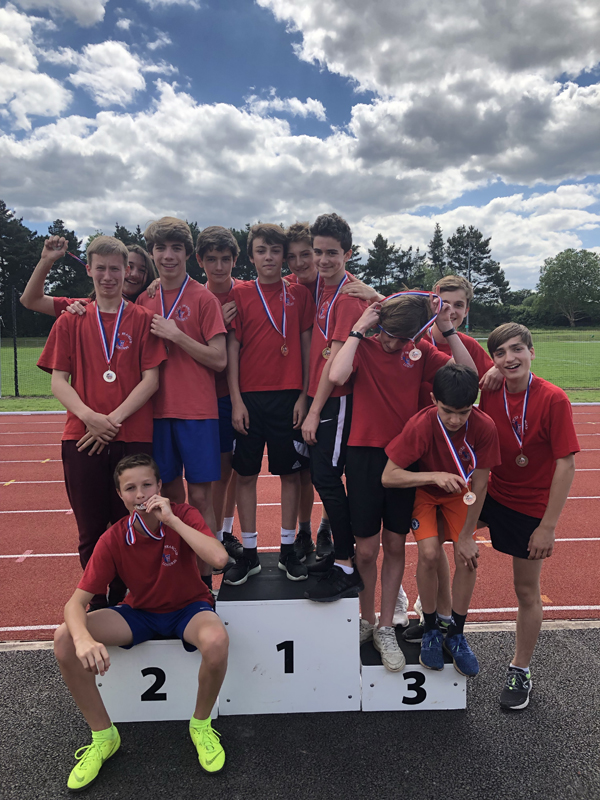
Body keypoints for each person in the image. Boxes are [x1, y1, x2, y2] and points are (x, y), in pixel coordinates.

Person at [53, 453, 230, 789]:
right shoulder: (114, 537)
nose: (140, 494)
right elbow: (75, 604)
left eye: (147, 485)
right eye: (130, 488)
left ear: (160, 486)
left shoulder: (184, 515)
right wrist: (83, 639)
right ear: (120, 495)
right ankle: (104, 736)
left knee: (216, 640)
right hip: (141, 613)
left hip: (189, 609)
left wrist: (172, 521)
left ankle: (201, 726)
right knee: (64, 639)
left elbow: (219, 558)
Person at [323, 293, 477, 671]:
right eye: (387, 334)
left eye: (401, 337)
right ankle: (366, 619)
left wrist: (446, 328)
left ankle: (386, 626)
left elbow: (467, 374)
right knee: (365, 550)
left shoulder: (419, 352)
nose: (392, 344)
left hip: (405, 458)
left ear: (414, 335)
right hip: (363, 456)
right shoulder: (365, 346)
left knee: (394, 545)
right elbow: (336, 376)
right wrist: (359, 329)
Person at [36, 235, 166, 609]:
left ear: (127, 271)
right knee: (90, 528)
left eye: (115, 269)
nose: (108, 276)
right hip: (81, 436)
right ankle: (95, 599)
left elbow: (151, 380)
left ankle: (125, 595)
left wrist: (112, 420)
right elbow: (58, 381)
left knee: (132, 522)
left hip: (132, 435)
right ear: (89, 270)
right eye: (101, 268)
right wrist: (90, 418)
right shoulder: (71, 319)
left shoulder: (143, 320)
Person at [478, 323, 579, 709]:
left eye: (517, 349)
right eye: (500, 353)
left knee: (525, 589)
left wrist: (547, 527)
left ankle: (520, 669)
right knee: (436, 534)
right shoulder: (490, 389)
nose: (510, 358)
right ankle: (430, 614)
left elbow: (566, 464)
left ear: (532, 352)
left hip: (530, 506)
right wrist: (491, 370)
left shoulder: (553, 399)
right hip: (493, 491)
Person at [382, 363, 500, 676]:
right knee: (430, 554)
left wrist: (467, 536)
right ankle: (431, 628)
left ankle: (456, 633)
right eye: (448, 411)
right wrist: (433, 475)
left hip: (462, 494)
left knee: (468, 558)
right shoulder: (421, 424)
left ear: (473, 405)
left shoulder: (484, 426)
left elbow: (481, 483)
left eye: (464, 412)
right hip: (426, 492)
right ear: (434, 399)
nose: (456, 420)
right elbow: (389, 475)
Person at [407, 273, 502, 639]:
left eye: (459, 305)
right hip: (415, 451)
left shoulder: (465, 344)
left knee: (443, 544)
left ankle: (438, 617)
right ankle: (432, 613)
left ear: (467, 308)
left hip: (454, 462)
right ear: (431, 302)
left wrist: (496, 369)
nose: (451, 310)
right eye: (443, 303)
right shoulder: (414, 340)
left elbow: (480, 375)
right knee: (427, 548)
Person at [226, 223, 313, 585]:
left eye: (275, 251)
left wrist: (304, 396)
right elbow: (233, 349)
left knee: (290, 476)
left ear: (283, 256)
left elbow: (306, 346)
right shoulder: (240, 293)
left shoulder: (299, 294)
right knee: (245, 476)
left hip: (289, 397)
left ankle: (288, 549)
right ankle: (249, 553)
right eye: (261, 251)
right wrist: (235, 400)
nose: (269, 257)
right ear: (251, 256)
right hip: (249, 399)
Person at [137, 217, 227, 551]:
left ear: (188, 253)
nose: (168, 255)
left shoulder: (204, 298)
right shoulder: (144, 299)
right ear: (152, 253)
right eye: (161, 248)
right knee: (170, 497)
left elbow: (219, 359)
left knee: (201, 498)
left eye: (176, 248)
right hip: (157, 413)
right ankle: (178, 567)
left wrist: (177, 335)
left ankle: (207, 571)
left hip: (198, 413)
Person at [195, 225, 245, 563]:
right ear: (200, 260)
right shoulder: (194, 296)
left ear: (235, 260)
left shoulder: (247, 293)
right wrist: (217, 324)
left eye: (225, 259)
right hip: (203, 394)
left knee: (233, 470)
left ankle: (225, 532)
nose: (218, 266)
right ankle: (211, 535)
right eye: (211, 259)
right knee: (212, 473)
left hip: (239, 393)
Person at [21, 237, 156, 316]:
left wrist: (161, 284)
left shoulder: (152, 309)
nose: (134, 274)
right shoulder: (82, 307)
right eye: (130, 266)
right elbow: (31, 300)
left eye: (142, 270)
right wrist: (46, 260)